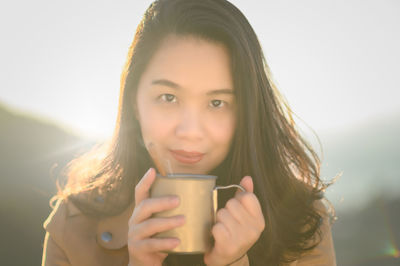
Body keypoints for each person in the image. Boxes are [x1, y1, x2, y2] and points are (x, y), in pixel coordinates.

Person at [41, 0, 336, 265]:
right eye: (168, 98)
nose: (190, 132)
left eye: (217, 103)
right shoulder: (74, 227)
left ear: (246, 110)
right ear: (134, 100)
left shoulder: (300, 220)